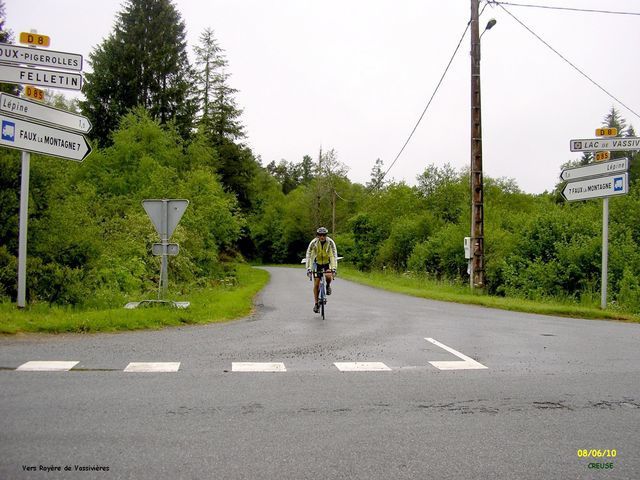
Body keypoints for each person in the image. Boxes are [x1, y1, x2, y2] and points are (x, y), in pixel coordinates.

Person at [305, 227, 338, 313]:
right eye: (320, 235)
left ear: (326, 235)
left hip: (327, 262)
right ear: (317, 236)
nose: (322, 236)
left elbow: (334, 255)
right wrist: (308, 268)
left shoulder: (330, 242)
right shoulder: (314, 242)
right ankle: (316, 304)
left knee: (328, 275)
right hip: (317, 263)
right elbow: (309, 254)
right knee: (316, 284)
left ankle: (327, 286)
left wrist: (334, 268)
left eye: (324, 235)